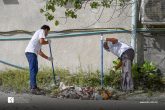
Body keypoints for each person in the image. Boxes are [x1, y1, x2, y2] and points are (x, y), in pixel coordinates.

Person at [25, 25, 53, 95]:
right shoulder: (41, 31)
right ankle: (33, 88)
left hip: (32, 53)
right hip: (31, 52)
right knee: (33, 69)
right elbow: (42, 41)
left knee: (35, 69)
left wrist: (48, 58)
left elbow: (39, 52)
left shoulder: (38, 36)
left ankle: (33, 86)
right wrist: (47, 42)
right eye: (48, 32)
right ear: (46, 29)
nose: (47, 34)